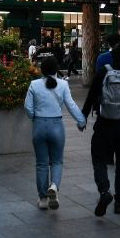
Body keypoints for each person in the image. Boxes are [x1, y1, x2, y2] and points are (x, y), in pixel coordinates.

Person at [81, 43, 120, 216]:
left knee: (99, 158)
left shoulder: (103, 72)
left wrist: (83, 117)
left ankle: (104, 191)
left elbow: (92, 95)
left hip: (103, 125)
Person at [24, 56, 86, 210]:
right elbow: (71, 105)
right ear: (56, 69)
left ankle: (43, 199)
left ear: (42, 70)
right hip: (56, 126)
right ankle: (54, 186)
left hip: (39, 125)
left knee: (41, 164)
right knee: (57, 161)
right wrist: (81, 121)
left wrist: (34, 117)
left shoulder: (34, 84)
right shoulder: (63, 85)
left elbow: (27, 107)